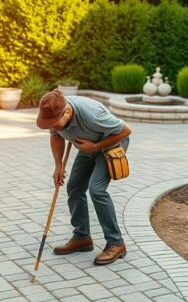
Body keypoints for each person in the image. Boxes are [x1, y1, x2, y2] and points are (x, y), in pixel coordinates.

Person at [36, 90, 132, 265]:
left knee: (97, 190)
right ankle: (82, 238)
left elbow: (125, 130)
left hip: (110, 144)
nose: (52, 126)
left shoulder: (92, 115)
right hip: (88, 146)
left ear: (67, 112)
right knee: (74, 187)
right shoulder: (54, 113)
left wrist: (96, 146)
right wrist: (58, 165)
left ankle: (116, 243)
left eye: (54, 122)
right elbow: (56, 136)